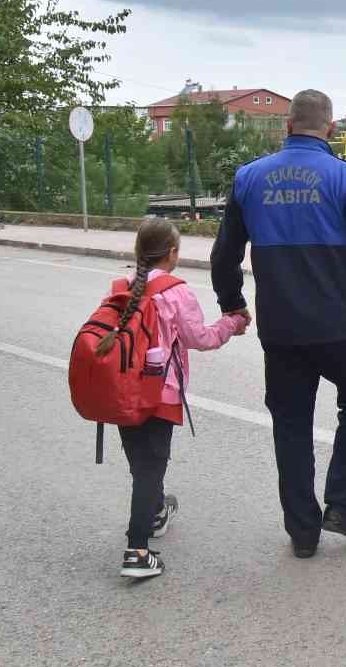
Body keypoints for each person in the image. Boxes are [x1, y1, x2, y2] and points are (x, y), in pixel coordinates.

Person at [212, 89, 346, 559]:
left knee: (291, 425)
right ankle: (342, 505)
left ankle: (303, 532)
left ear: (286, 126)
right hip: (342, 329)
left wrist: (233, 304)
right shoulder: (345, 179)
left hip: (281, 334)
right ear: (330, 130)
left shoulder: (248, 179)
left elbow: (225, 254)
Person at [102, 217, 249, 580]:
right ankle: (137, 550)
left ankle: (154, 512)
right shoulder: (175, 291)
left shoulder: (122, 286)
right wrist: (233, 322)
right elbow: (200, 338)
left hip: (122, 389)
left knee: (142, 463)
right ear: (172, 254)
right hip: (159, 392)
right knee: (151, 467)